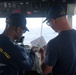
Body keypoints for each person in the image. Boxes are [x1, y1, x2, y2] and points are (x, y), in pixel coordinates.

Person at [39, 5, 76, 75]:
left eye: (48, 23)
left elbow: (45, 71)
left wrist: (42, 54)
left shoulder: (53, 44)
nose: (49, 25)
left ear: (53, 21)